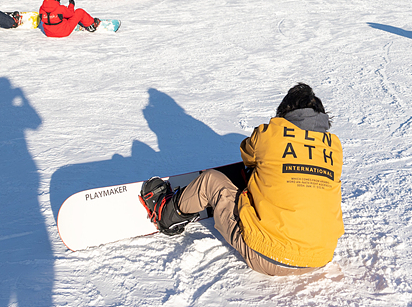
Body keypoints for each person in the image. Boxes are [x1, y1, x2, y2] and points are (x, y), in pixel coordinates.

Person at [139, 83, 343, 276]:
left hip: (269, 256)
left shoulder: (270, 134)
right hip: (319, 258)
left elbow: (247, 154)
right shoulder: (335, 146)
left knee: (210, 181)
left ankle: (165, 214)